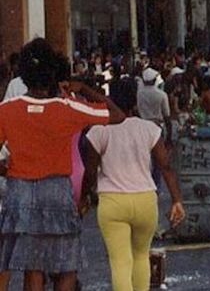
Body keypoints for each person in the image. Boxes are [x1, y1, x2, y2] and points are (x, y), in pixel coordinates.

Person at [0, 38, 125, 291]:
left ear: (23, 74)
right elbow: (118, 115)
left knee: (33, 266)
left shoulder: (6, 109)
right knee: (67, 263)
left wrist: (7, 168)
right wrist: (84, 89)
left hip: (20, 194)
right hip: (56, 192)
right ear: (53, 72)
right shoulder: (67, 108)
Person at [81, 78, 185, 291]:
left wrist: (84, 197)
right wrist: (177, 200)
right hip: (145, 200)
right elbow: (165, 167)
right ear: (135, 101)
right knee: (141, 256)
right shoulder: (149, 129)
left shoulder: (99, 130)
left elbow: (90, 173)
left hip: (113, 202)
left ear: (110, 99)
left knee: (120, 261)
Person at [136, 67, 172, 142]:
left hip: (143, 127)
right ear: (155, 80)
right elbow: (166, 115)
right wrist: (169, 136)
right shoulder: (162, 95)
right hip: (157, 127)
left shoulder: (139, 94)